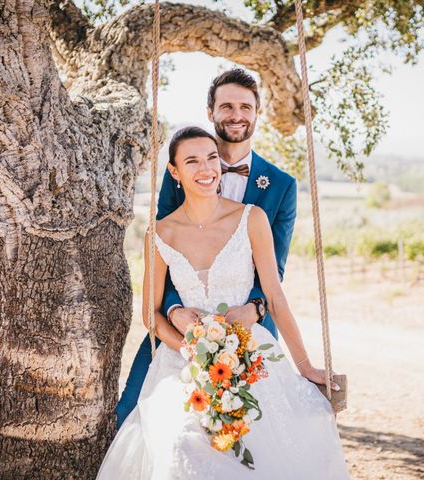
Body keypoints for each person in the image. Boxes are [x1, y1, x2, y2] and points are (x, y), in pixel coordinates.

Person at [97, 127, 349, 479]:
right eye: (193, 161)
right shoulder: (160, 233)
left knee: (263, 448)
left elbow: (275, 297)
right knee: (181, 442)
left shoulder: (251, 218)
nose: (206, 169)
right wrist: (191, 350)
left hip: (250, 354)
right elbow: (150, 315)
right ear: (174, 172)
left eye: (212, 158)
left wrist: (306, 367)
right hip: (182, 361)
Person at [115, 69, 298, 428]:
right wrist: (175, 309)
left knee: (256, 427)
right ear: (210, 112)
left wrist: (256, 309)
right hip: (181, 326)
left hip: (247, 323)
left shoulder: (280, 186)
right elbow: (167, 249)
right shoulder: (180, 173)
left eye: (245, 106)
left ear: (257, 113)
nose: (236, 115)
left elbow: (274, 270)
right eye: (226, 106)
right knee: (132, 413)